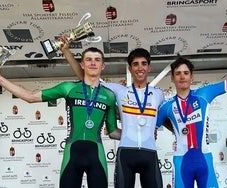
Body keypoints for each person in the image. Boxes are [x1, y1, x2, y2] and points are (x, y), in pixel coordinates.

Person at [0, 47, 121, 188]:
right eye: (88, 59)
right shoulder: (68, 88)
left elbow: (113, 131)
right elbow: (31, 97)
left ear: (102, 66)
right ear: (82, 65)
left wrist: (142, 136)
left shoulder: (109, 96)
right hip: (72, 154)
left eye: (97, 60)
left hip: (97, 156)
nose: (93, 63)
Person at [156, 31, 227, 188]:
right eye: (178, 74)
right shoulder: (166, 106)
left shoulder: (204, 94)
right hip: (181, 162)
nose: (182, 77)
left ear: (192, 77)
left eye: (186, 73)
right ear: (172, 78)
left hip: (205, 160)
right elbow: (149, 128)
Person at [60, 38, 164, 188]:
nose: (140, 68)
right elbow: (87, 77)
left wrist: (171, 129)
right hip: (126, 153)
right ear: (130, 68)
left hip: (150, 153)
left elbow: (168, 114)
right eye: (135, 64)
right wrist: (67, 52)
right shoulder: (119, 91)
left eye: (144, 64)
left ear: (149, 67)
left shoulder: (159, 94)